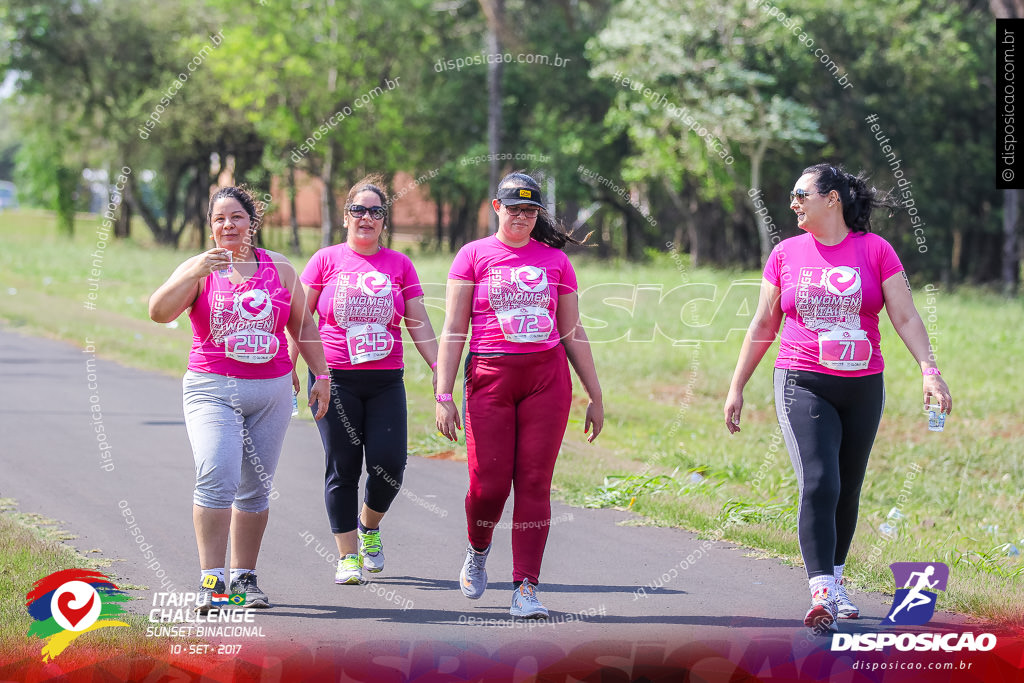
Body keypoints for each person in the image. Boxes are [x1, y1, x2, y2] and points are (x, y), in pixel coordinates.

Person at [723, 163, 952, 634]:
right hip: (803, 379)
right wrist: (737, 385)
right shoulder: (786, 254)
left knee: (848, 486)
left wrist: (930, 371)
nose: (793, 203)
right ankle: (821, 587)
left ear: (832, 200)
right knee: (820, 480)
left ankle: (838, 578)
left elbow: (906, 318)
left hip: (864, 384)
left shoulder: (876, 250)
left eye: (800, 194)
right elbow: (764, 324)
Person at [149, 186, 331, 612]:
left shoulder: (280, 268)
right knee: (217, 472)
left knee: (254, 490)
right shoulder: (200, 269)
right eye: (219, 219)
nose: (227, 225)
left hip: (270, 393)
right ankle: (212, 580)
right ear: (210, 226)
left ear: (253, 222)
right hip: (211, 389)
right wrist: (191, 272)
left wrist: (321, 374)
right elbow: (158, 312)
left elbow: (302, 327)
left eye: (236, 217)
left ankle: (244, 579)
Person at [435, 171, 604, 619]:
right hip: (489, 377)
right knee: (488, 486)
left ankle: (526, 587)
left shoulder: (555, 261)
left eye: (531, 210)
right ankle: (477, 547)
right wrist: (442, 393)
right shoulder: (473, 256)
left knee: (533, 483)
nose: (522, 218)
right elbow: (454, 329)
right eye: (514, 209)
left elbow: (571, 328)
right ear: (496, 208)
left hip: (546, 378)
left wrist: (595, 393)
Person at [296, 174, 439, 585]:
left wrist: (438, 370)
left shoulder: (400, 264)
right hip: (333, 378)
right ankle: (347, 557)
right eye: (358, 210)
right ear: (345, 217)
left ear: (383, 221)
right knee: (343, 467)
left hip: (385, 381)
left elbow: (418, 320)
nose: (366, 217)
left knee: (389, 465)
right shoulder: (325, 260)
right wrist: (291, 366)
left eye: (376, 211)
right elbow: (300, 320)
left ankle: (369, 526)